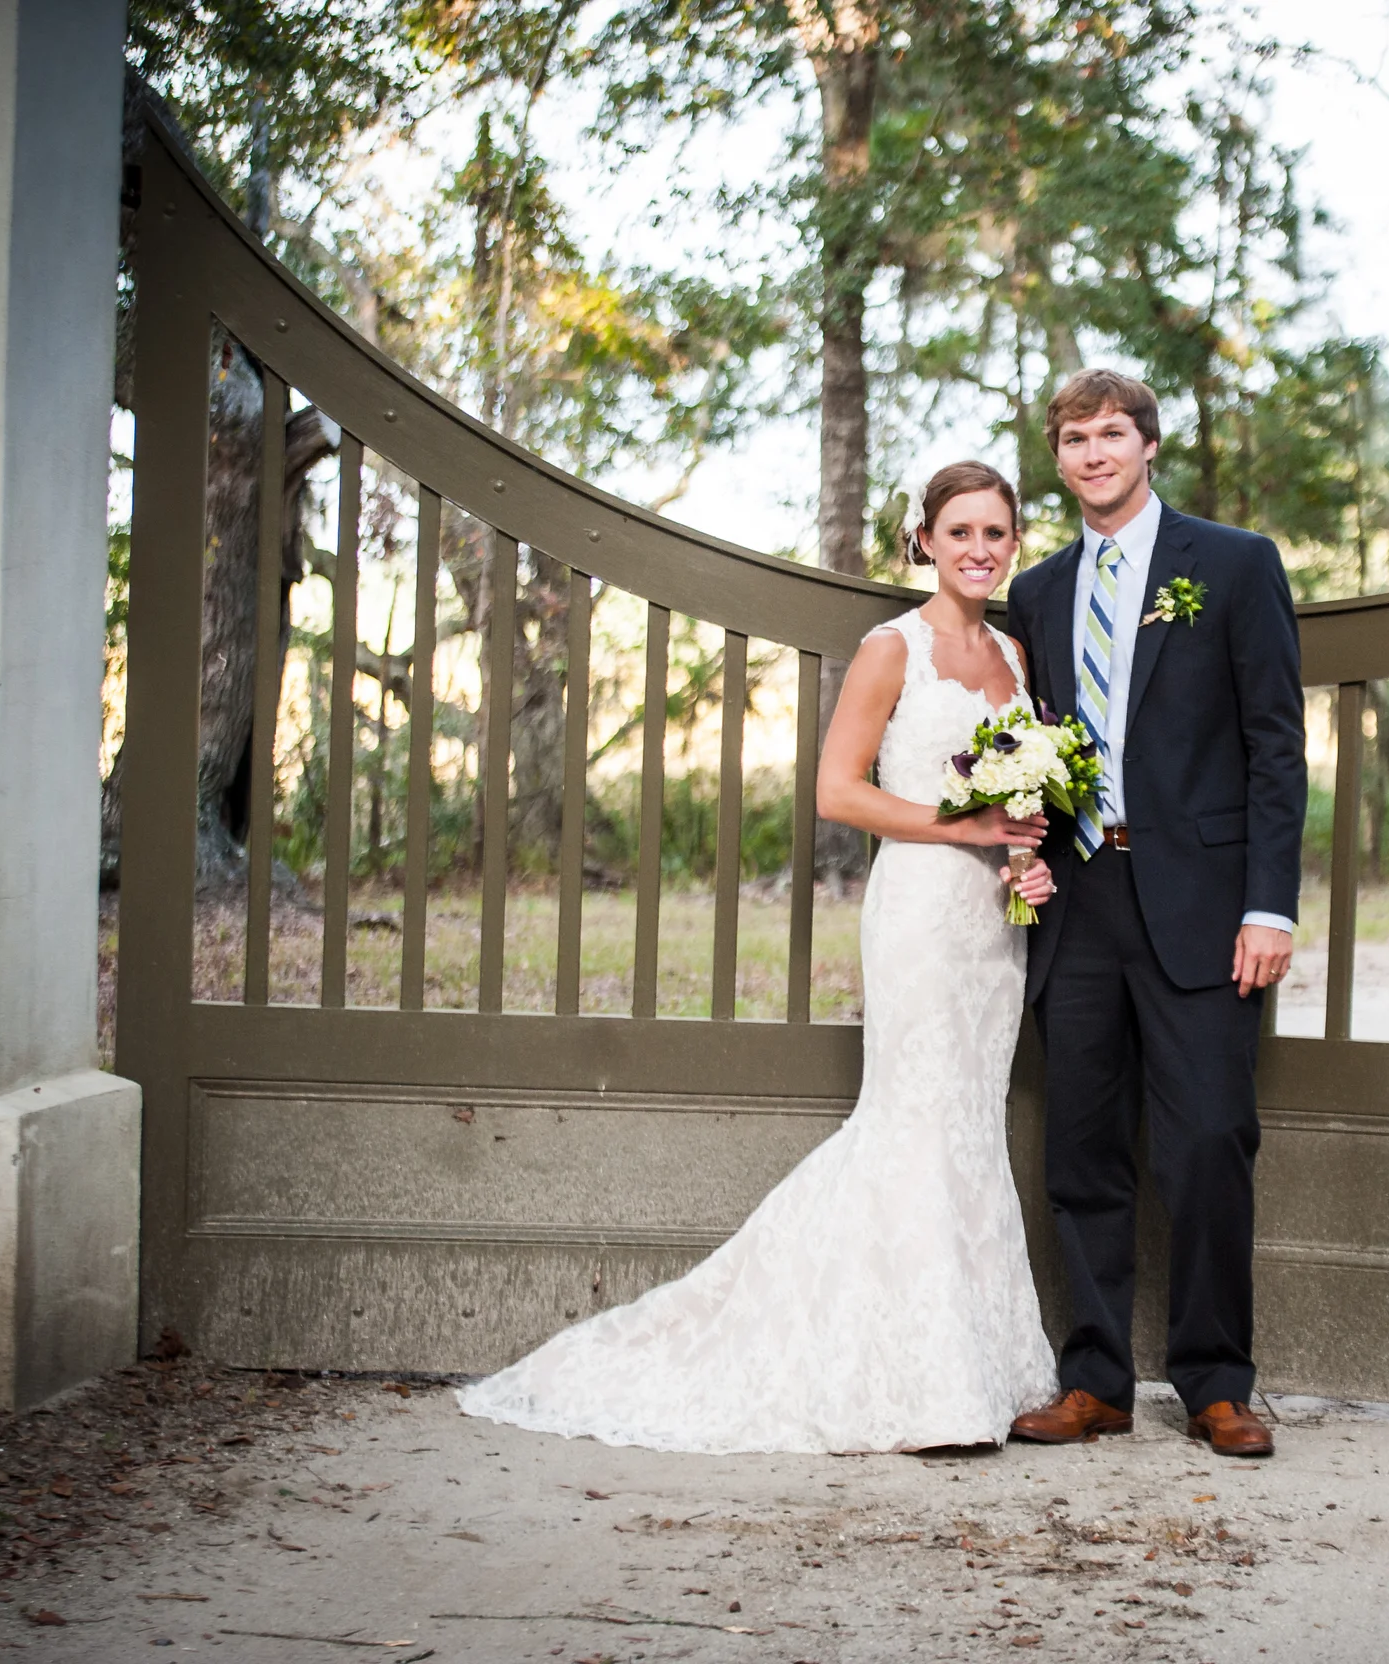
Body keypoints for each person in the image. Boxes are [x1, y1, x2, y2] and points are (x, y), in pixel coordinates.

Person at [457, 461, 1059, 1453]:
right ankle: (909, 1380)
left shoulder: (1016, 656)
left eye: (996, 532)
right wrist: (962, 829)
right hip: (917, 910)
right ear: (925, 540)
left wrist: (1023, 861)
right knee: (909, 1118)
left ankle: (974, 1364)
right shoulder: (889, 648)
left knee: (968, 1127)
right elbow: (837, 791)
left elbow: (1025, 807)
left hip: (992, 930)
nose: (979, 549)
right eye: (960, 532)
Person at [1004, 369, 1308, 1459]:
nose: (1093, 452)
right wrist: (1023, 865)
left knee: (1209, 1142)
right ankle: (1094, 1382)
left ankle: (1218, 1382)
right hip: (1078, 902)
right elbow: (1025, 753)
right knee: (1082, 1147)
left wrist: (1268, 903)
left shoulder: (1230, 564)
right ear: (1060, 455)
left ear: (1147, 443)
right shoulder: (1037, 592)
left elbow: (1274, 743)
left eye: (1112, 433)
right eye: (1075, 437)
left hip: (1203, 902)